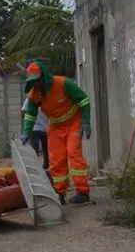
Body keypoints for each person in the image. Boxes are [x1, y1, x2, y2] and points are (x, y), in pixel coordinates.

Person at [22, 60, 93, 206]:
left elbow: (84, 100)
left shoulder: (63, 83)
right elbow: (30, 115)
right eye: (33, 82)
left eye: (38, 81)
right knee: (56, 161)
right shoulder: (34, 95)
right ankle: (59, 193)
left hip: (74, 123)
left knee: (74, 154)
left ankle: (83, 192)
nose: (36, 84)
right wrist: (26, 132)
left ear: (44, 77)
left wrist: (85, 121)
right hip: (55, 126)